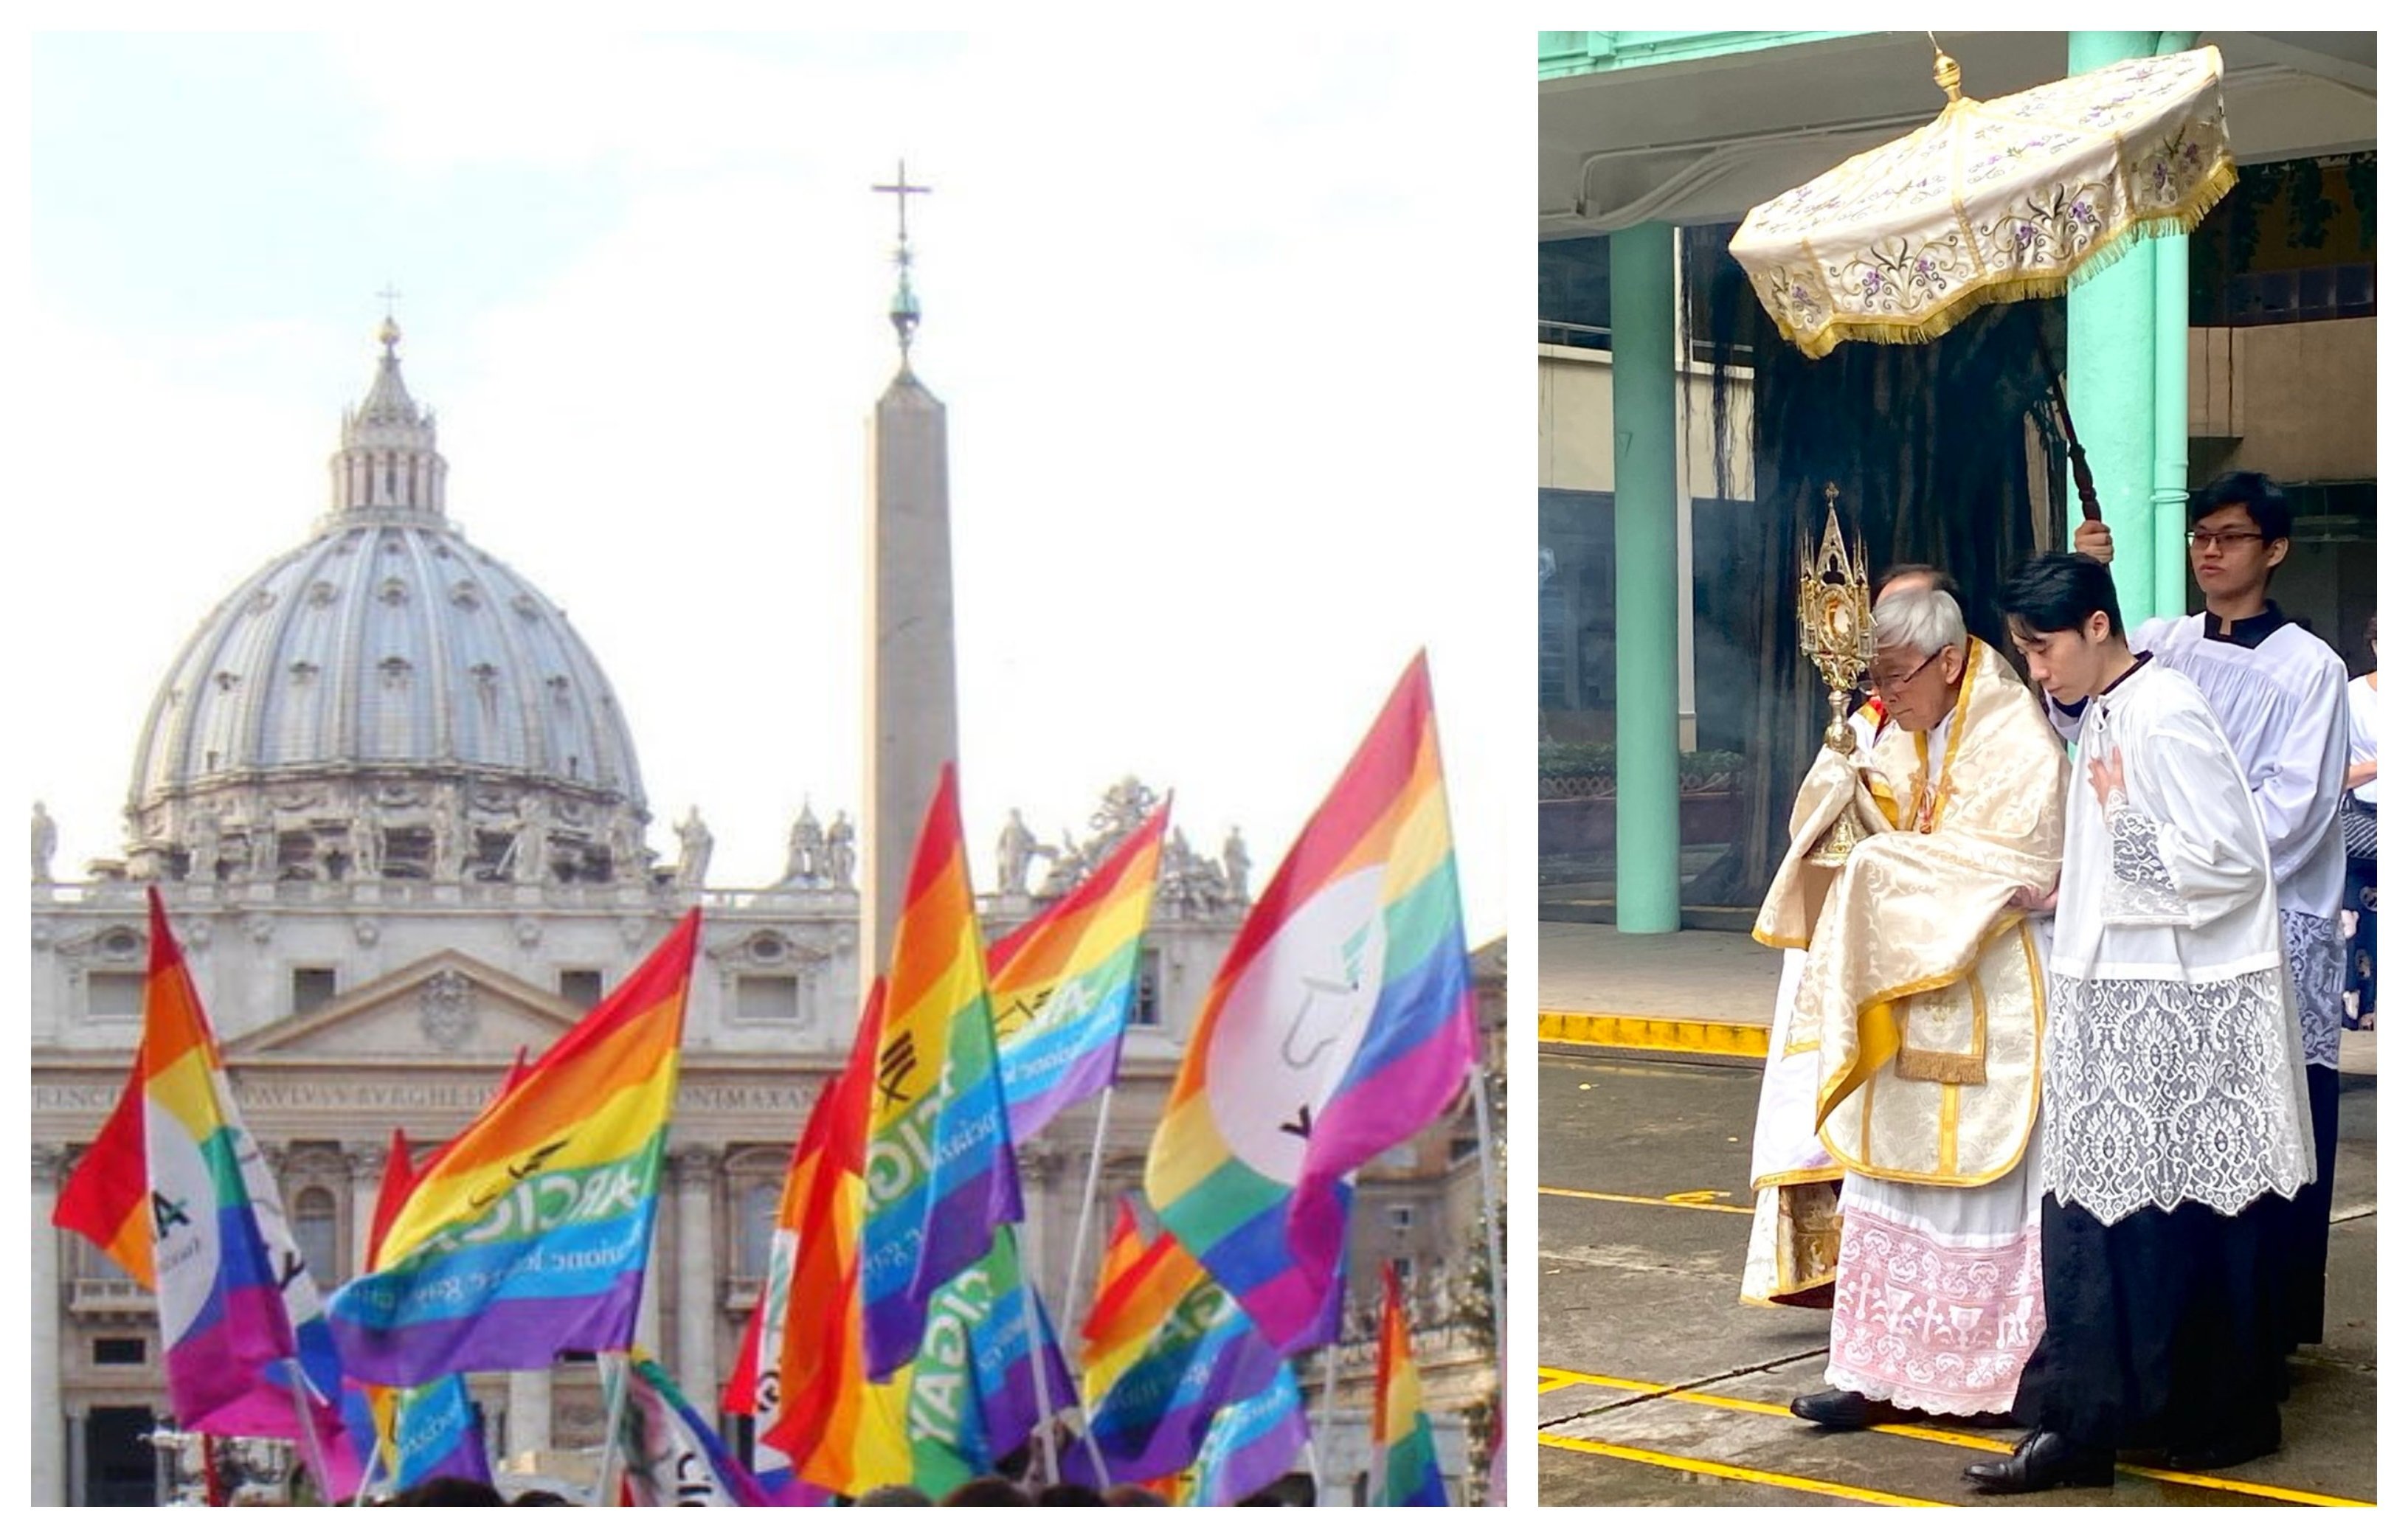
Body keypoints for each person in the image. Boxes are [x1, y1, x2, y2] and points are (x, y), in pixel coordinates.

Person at [1964, 552, 2314, 1493]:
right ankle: (2152, 1416)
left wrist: (2117, 828)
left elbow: (2230, 863)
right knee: (2134, 1216)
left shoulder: (2165, 714)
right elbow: (2129, 843)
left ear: (2097, 628)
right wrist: (2072, 877)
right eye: (2024, 654)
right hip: (2124, 988)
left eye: (2043, 650)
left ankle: (2105, 1427)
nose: (2039, 672)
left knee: (2144, 1218)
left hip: (2170, 1000)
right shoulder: (2116, 709)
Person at [1754, 584, 2064, 1430]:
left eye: (1899, 678)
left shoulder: (2016, 735)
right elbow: (1858, 831)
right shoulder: (1904, 724)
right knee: (1887, 1186)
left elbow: (2026, 859)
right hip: (1903, 997)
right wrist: (1840, 774)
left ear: (1952, 659)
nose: (1888, 698)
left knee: (1985, 1192)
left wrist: (1887, 868)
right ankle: (1870, 1371)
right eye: (1878, 682)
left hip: (1988, 986)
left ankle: (1992, 1381)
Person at [2072, 471, 2348, 1352]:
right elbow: (2083, 717)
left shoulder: (2312, 669)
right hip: (2153, 924)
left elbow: (2294, 814)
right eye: (2200, 535)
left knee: (2266, 1115)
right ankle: (2186, 1321)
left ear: (2275, 549)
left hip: (2259, 919)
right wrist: (2090, 586)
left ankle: (2265, 1327)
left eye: (2230, 537)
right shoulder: (2158, 642)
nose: (2210, 551)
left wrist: (2189, 867)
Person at [1742, 563, 1948, 1308]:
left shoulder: (1983, 721)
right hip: (1842, 939)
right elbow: (1813, 834)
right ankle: (1842, 1274)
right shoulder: (1858, 722)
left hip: (1927, 947)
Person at [2343, 614, 2377, 1030]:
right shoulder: (2352, 697)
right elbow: (2333, 770)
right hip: (2363, 826)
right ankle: (2361, 1007)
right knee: (2359, 925)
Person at [997, 808, 1037, 896]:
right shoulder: (1007, 828)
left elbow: (1032, 839)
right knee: (1010, 869)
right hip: (1010, 853)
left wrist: (1028, 847)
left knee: (1020, 870)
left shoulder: (1022, 828)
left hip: (1020, 853)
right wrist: (1000, 851)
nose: (1014, 817)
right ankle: (1010, 886)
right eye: (1013, 815)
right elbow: (1001, 841)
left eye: (1016, 815)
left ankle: (1019, 887)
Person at [32, 800, 58, 884]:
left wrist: (51, 846)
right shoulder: (33, 821)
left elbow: (53, 835)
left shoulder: (48, 820)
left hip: (44, 847)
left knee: (43, 862)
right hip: (34, 848)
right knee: (36, 864)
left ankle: (45, 877)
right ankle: (37, 878)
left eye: (40, 808)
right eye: (37, 808)